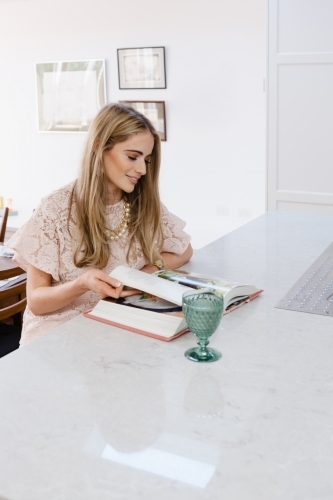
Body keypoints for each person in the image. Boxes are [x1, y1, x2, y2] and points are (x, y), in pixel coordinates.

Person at [8, 103, 192, 346]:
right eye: (132, 157)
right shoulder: (56, 208)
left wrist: (145, 271)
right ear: (98, 146)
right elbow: (37, 302)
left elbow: (184, 250)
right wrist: (82, 284)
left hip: (116, 325)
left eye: (146, 159)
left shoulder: (143, 201)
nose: (142, 169)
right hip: (59, 336)